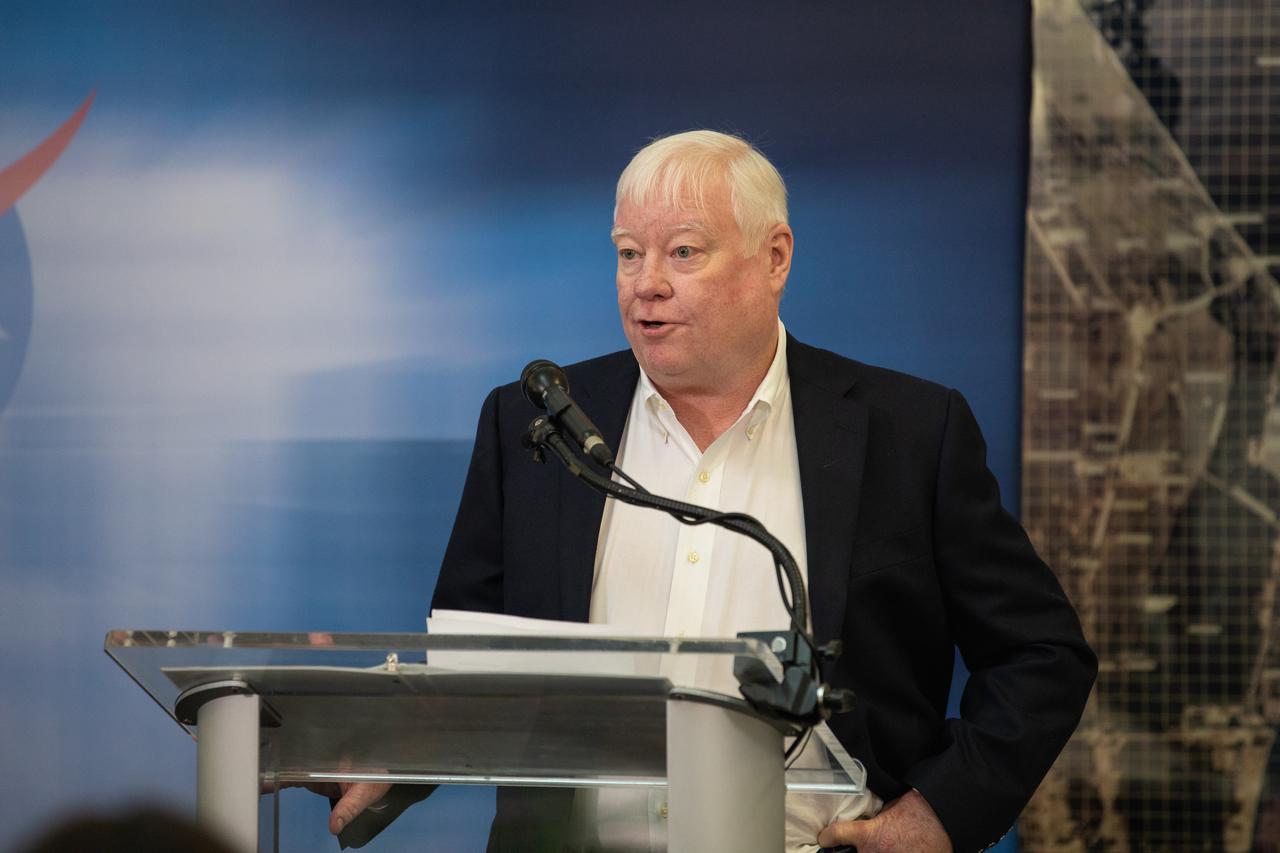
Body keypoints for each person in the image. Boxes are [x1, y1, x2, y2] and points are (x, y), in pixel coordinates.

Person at [329, 130, 1097, 853]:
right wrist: (387, 742)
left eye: (683, 252)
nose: (646, 285)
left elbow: (1042, 653)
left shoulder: (909, 431)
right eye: (628, 254)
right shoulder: (538, 422)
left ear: (775, 258)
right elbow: (477, 660)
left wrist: (940, 812)